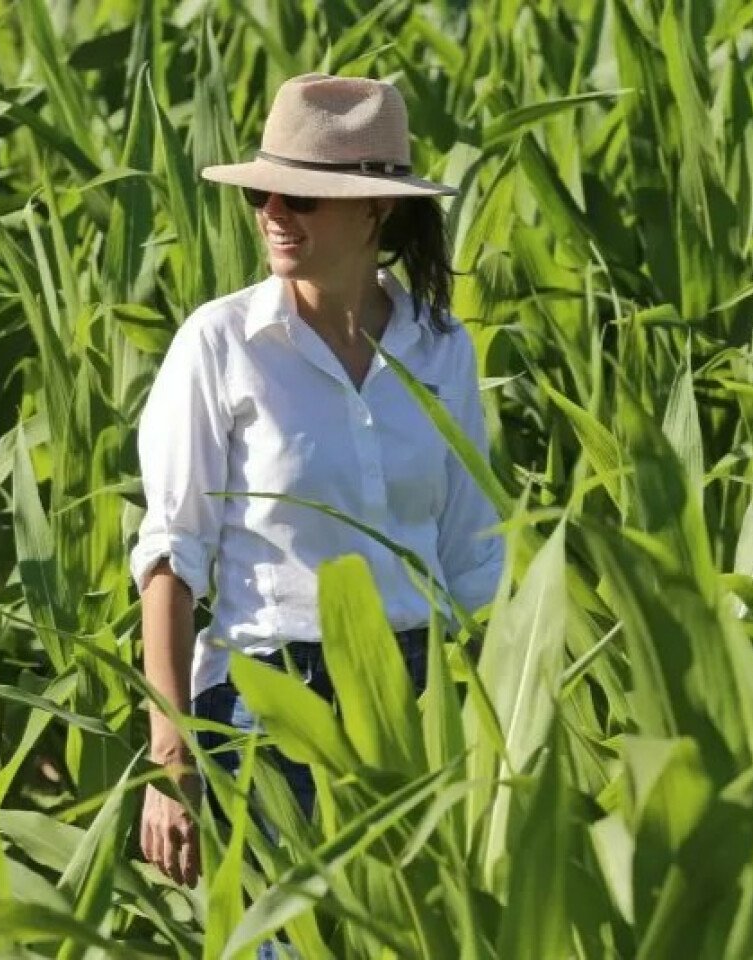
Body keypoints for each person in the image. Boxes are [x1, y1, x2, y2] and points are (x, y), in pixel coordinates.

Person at [132, 73, 504, 889]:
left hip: (421, 700)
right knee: (295, 938)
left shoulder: (442, 348)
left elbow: (473, 553)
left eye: (300, 197)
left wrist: (500, 713)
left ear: (377, 208)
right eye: (261, 193)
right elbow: (171, 558)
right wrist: (170, 756)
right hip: (273, 703)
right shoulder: (220, 343)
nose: (273, 213)